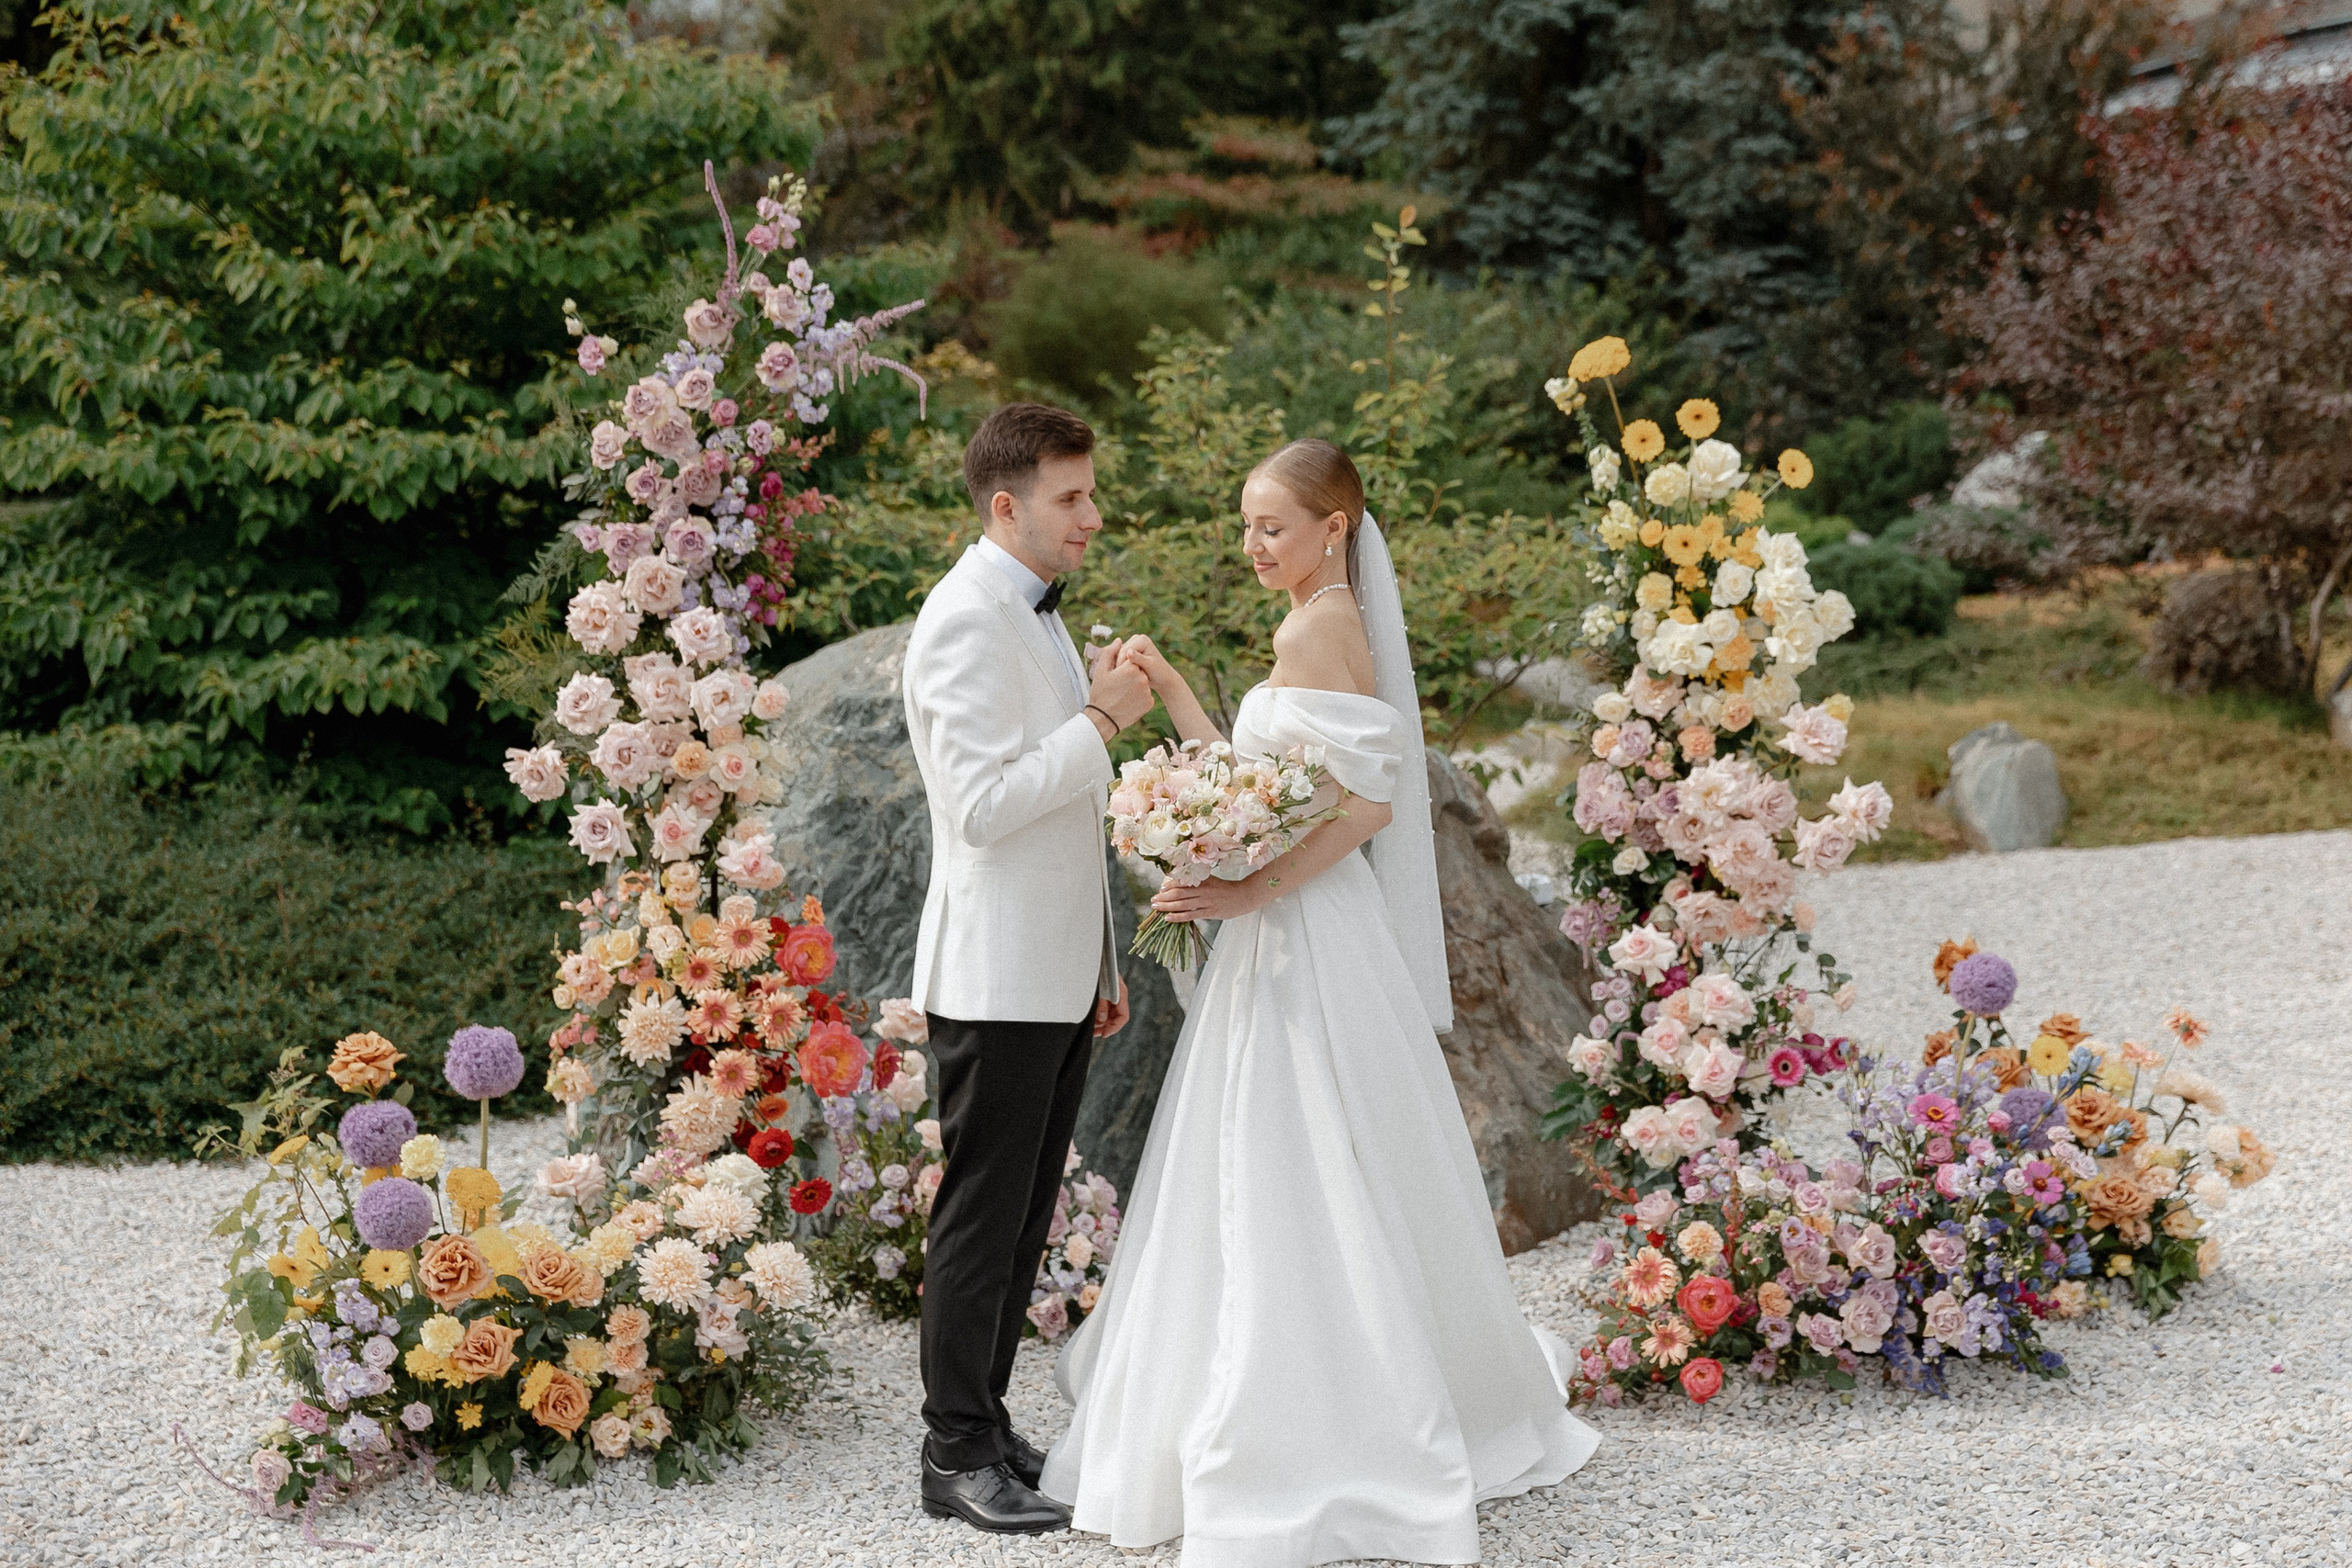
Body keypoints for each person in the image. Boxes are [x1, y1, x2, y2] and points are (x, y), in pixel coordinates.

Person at [1040, 438, 1600, 1565]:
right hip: (1284, 927)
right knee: (1282, 1146)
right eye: (1245, 525)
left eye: (1272, 527)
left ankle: (1321, 1420)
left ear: (1333, 527)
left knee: (1297, 1148)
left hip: (1301, 928)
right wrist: (1181, 702)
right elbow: (1267, 786)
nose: (1253, 546)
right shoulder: (1312, 623)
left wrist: (1247, 886)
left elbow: (1363, 809)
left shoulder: (1317, 625)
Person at [899, 402, 1158, 1533]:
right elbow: (982, 805)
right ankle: (953, 1454)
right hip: (995, 977)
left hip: (1052, 974)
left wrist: (1101, 957)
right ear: (1006, 506)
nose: (1091, 517)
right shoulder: (964, 618)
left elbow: (1066, 808)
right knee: (980, 1216)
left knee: (1020, 1218)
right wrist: (1103, 716)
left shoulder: (1031, 612)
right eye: (1071, 498)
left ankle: (987, 1423)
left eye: (1090, 494)